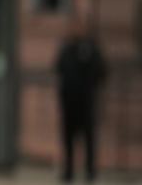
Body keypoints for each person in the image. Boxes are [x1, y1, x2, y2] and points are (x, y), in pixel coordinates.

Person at [54, 17, 107, 183]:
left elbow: (101, 71)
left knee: (88, 138)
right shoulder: (66, 47)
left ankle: (90, 171)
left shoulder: (90, 48)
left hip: (86, 100)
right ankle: (68, 170)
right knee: (68, 138)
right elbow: (58, 67)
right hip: (69, 100)